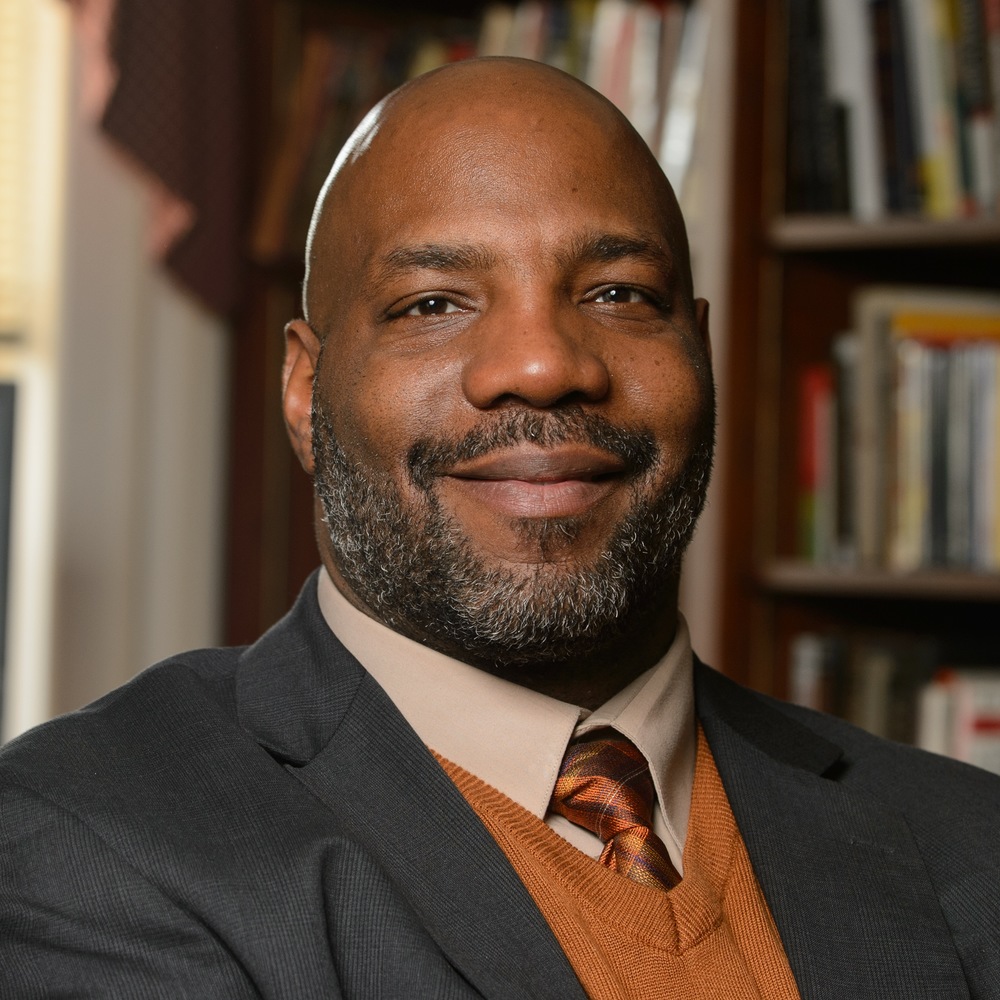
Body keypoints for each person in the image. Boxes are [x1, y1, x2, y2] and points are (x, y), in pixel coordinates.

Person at [1, 57, 997, 1000]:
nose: (540, 363)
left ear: (700, 348)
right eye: (433, 302)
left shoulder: (967, 840)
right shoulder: (90, 839)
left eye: (617, 293)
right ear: (306, 390)